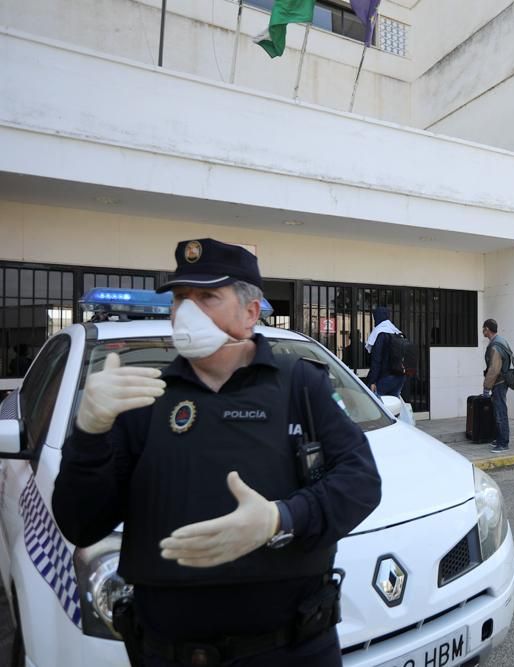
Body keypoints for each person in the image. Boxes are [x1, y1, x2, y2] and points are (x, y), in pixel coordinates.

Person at [52, 238, 382, 667]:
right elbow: (80, 522)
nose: (186, 312)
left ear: (250, 312)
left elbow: (360, 482)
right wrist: (89, 434)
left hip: (293, 649)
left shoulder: (302, 384)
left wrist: (280, 519)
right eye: (180, 298)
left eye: (207, 296)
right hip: (170, 653)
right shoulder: (142, 397)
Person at [483, 319, 513, 453]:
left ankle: (503, 443)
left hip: (499, 382)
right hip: (502, 381)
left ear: (487, 329)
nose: (482, 331)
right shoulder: (501, 340)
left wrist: (486, 387)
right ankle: (499, 438)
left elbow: (494, 369)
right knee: (499, 411)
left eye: (483, 328)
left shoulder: (495, 346)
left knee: (500, 412)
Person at [364, 307, 406, 398]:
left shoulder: (380, 334)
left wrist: (372, 381)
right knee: (393, 407)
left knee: (375, 405)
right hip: (399, 376)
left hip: (385, 378)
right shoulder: (396, 333)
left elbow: (376, 360)